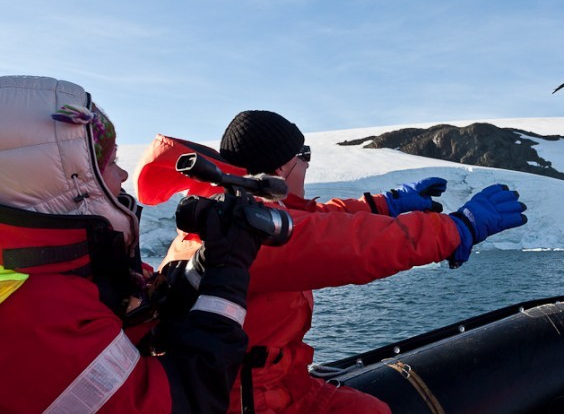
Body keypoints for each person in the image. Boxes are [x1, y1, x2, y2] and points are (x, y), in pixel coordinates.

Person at [135, 110, 529, 414]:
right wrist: (458, 228)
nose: (307, 163)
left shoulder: (231, 212)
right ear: (278, 169)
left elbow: (316, 220)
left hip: (271, 382)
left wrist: (382, 204)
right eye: (303, 155)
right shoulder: (249, 232)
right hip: (247, 399)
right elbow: (351, 245)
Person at [0, 76, 282, 413]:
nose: (123, 176)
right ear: (67, 183)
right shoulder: (35, 315)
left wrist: (200, 269)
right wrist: (227, 277)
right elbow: (184, 403)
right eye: (108, 163)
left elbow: (126, 335)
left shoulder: (49, 274)